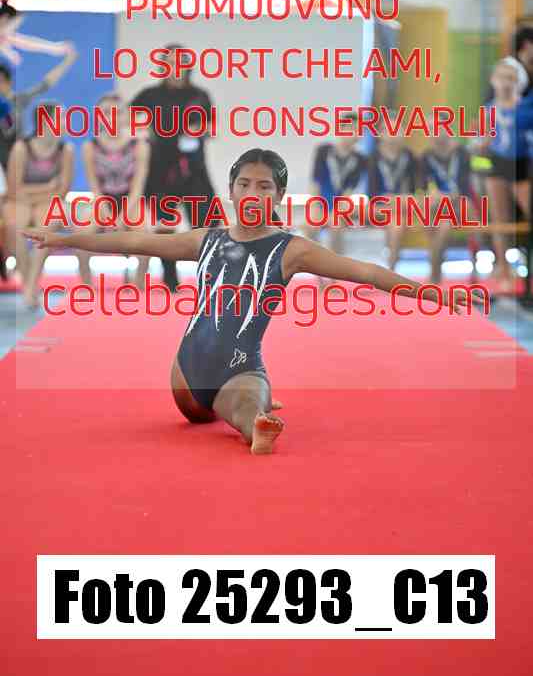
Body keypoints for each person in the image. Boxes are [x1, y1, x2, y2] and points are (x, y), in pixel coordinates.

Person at [24, 148, 482, 455]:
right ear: (231, 190)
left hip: (218, 373)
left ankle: (255, 421)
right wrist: (63, 237)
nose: (252, 193)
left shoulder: (292, 249)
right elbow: (134, 241)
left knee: (248, 401)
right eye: (244, 184)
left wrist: (429, 291)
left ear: (279, 195)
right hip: (186, 376)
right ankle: (254, 409)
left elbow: (365, 272)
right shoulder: (205, 238)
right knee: (249, 391)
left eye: (264, 187)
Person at [129, 43, 219, 291]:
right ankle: (170, 279)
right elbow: (127, 119)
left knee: (206, 225)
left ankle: (208, 278)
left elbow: (211, 128)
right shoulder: (150, 95)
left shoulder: (200, 95)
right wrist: (141, 133)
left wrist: (200, 131)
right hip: (160, 171)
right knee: (165, 227)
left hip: (194, 170)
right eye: (169, 63)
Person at [77, 93, 151, 289]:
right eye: (107, 113)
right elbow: (94, 186)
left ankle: (138, 284)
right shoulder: (90, 146)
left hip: (130, 200)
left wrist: (124, 217)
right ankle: (87, 286)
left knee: (146, 235)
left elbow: (138, 187)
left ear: (126, 116)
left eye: (117, 113)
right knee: (81, 235)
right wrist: (107, 216)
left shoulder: (139, 145)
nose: (112, 118)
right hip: (103, 200)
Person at [472, 56, 533, 290]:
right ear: (493, 80)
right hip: (497, 164)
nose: (506, 83)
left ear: (519, 82)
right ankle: (504, 270)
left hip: (521, 164)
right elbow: (479, 142)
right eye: (502, 78)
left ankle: (525, 268)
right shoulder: (488, 110)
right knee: (499, 219)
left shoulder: (526, 107)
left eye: (511, 78)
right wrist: (480, 143)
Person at [5, 102, 73, 306]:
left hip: (45, 201)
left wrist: (34, 194)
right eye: (60, 118)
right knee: (15, 227)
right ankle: (28, 283)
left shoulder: (65, 150)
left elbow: (63, 190)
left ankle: (31, 284)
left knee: (45, 229)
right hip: (21, 200)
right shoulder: (22, 148)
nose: (65, 122)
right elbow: (13, 189)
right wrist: (47, 188)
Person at [307, 112, 369, 279]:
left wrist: (335, 213)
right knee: (310, 226)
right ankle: (319, 276)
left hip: (340, 207)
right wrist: (315, 207)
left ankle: (334, 277)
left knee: (336, 226)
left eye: (358, 130)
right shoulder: (323, 151)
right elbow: (315, 183)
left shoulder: (360, 160)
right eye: (350, 129)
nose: (354, 133)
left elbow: (348, 192)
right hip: (320, 203)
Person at [0, 44, 78, 172]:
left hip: (18, 160)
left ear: (9, 82)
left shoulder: (19, 100)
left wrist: (67, 62)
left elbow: (45, 84)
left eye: (1, 81)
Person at [419, 132, 473, 285]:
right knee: (435, 218)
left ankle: (434, 272)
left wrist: (447, 197)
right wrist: (434, 195)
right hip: (440, 207)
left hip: (461, 204)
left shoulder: (462, 153)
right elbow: (423, 188)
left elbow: (464, 189)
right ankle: (435, 273)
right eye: (429, 130)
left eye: (436, 129)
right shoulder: (426, 156)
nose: (432, 134)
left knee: (444, 224)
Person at [367, 115, 417, 271]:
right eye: (389, 129)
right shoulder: (372, 158)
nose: (394, 134)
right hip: (377, 208)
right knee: (395, 220)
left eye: (398, 129)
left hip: (401, 208)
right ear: (380, 133)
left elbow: (413, 191)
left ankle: (391, 269)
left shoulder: (409, 157)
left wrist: (399, 200)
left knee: (397, 224)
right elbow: (371, 194)